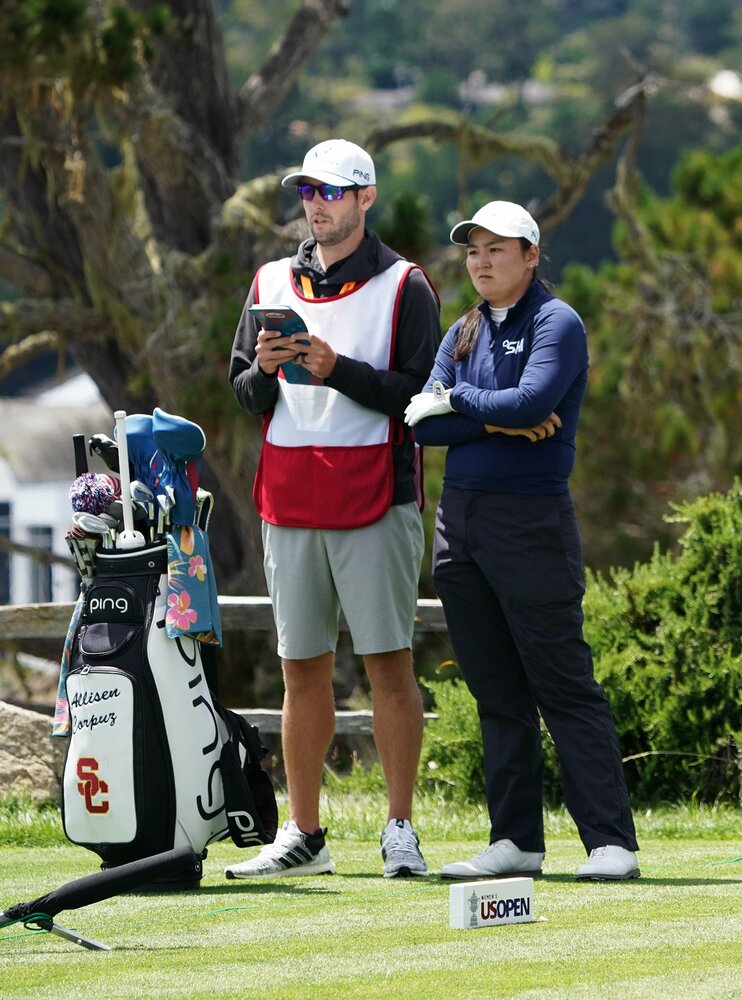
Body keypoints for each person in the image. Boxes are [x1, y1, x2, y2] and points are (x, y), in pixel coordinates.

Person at [406, 200, 640, 882]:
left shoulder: (557, 323)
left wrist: (467, 403)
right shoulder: (464, 331)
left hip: (531, 523)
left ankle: (609, 843)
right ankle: (516, 841)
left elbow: (533, 403)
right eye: (473, 250)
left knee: (562, 683)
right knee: (497, 691)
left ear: (531, 256)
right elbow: (422, 424)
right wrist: (497, 417)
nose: (480, 261)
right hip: (462, 523)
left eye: (496, 249)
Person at [227, 139, 439, 879]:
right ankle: (305, 835)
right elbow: (244, 393)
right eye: (308, 191)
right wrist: (267, 368)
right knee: (301, 670)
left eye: (332, 191)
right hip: (290, 495)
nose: (317, 204)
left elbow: (420, 400)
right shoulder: (270, 280)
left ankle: (401, 829)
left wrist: (335, 369)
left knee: (387, 667)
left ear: (365, 198)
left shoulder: (407, 285)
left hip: (377, 495)